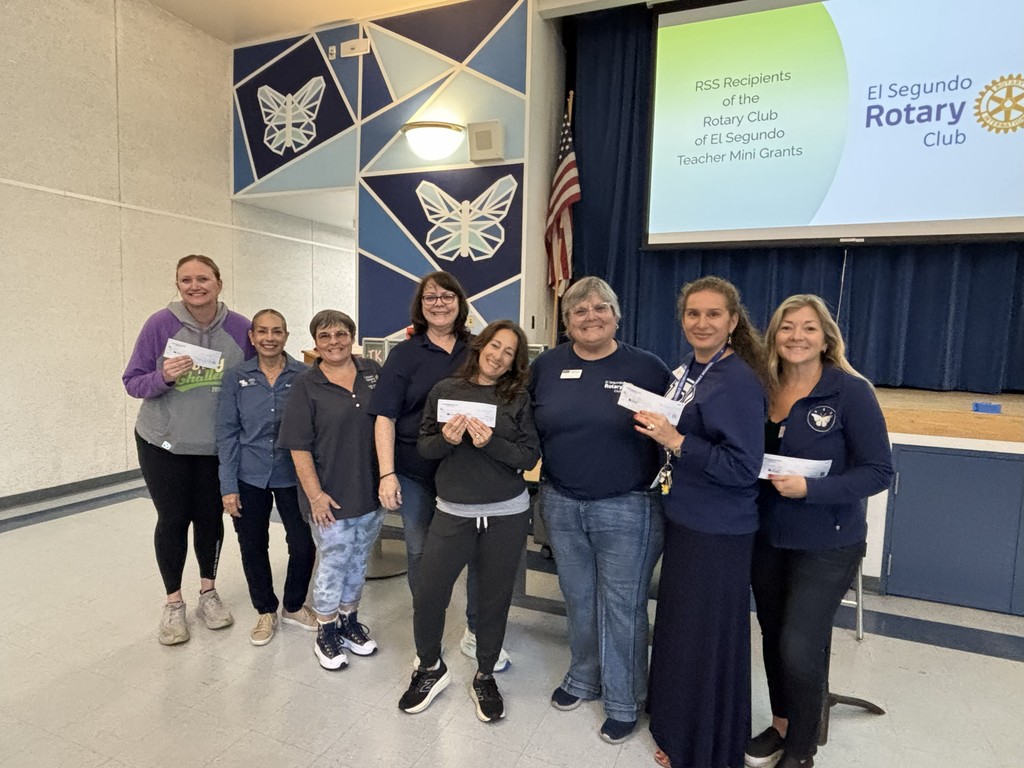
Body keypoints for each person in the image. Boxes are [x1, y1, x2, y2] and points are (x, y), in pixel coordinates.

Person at [745, 295, 893, 768]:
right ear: (774, 336)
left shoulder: (851, 392)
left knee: (799, 643)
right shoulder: (762, 388)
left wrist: (811, 488)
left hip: (828, 540)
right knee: (772, 635)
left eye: (808, 328)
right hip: (767, 534)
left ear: (827, 337)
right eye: (787, 327)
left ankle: (803, 748)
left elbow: (877, 472)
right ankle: (783, 722)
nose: (796, 336)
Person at [529, 276, 672, 744]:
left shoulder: (649, 368)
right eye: (578, 311)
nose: (590, 317)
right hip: (562, 502)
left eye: (599, 308)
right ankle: (584, 677)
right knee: (578, 597)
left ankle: (625, 699)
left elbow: (674, 432)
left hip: (629, 505)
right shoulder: (546, 367)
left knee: (624, 607)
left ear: (616, 313)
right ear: (566, 321)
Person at [638, 276, 766, 768]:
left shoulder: (736, 378)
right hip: (687, 520)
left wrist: (676, 441)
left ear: (733, 322)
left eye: (714, 314)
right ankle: (675, 726)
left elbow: (741, 466)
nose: (702, 322)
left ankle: (702, 746)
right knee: (681, 631)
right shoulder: (690, 369)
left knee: (705, 639)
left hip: (719, 529)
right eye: (693, 314)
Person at [398, 320, 540, 722]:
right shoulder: (445, 391)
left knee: (494, 599)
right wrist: (448, 438)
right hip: (454, 511)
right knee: (429, 592)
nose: (498, 355)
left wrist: (488, 442)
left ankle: (484, 673)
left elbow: (529, 457)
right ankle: (429, 668)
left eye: (509, 352)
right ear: (481, 347)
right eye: (494, 345)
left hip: (506, 513)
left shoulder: (517, 397)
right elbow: (425, 447)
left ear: (516, 361)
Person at [370, 271, 511, 670]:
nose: (439, 303)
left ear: (460, 303)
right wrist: (386, 473)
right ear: (420, 305)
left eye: (447, 296)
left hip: (470, 473)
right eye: (430, 297)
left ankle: (474, 631)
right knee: (420, 552)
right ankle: (427, 632)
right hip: (415, 472)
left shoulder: (478, 348)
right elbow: (385, 416)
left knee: (478, 556)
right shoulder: (404, 354)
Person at [123, 254, 253, 645]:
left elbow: (256, 378)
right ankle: (174, 603)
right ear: (178, 285)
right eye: (186, 280)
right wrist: (161, 376)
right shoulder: (159, 324)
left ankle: (208, 594)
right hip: (164, 443)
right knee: (173, 519)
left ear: (219, 282)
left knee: (211, 520)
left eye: (203, 279)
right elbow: (132, 381)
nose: (195, 286)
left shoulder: (240, 328)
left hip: (217, 448)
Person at [277, 310, 384, 671]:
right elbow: (298, 447)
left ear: (352, 336)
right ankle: (325, 630)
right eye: (325, 336)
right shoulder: (306, 385)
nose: (334, 342)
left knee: (358, 560)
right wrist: (315, 496)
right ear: (315, 343)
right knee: (334, 561)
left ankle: (349, 620)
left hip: (369, 490)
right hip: (329, 495)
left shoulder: (371, 372)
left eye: (341, 334)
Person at [216, 309, 317, 646]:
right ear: (252, 337)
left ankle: (292, 605)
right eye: (262, 331)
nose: (269, 338)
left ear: (286, 336)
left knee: (302, 543)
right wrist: (228, 487)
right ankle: (265, 610)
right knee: (252, 544)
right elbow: (227, 433)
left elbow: (314, 429)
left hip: (294, 473)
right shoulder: (235, 377)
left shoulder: (304, 376)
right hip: (249, 473)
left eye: (276, 331)